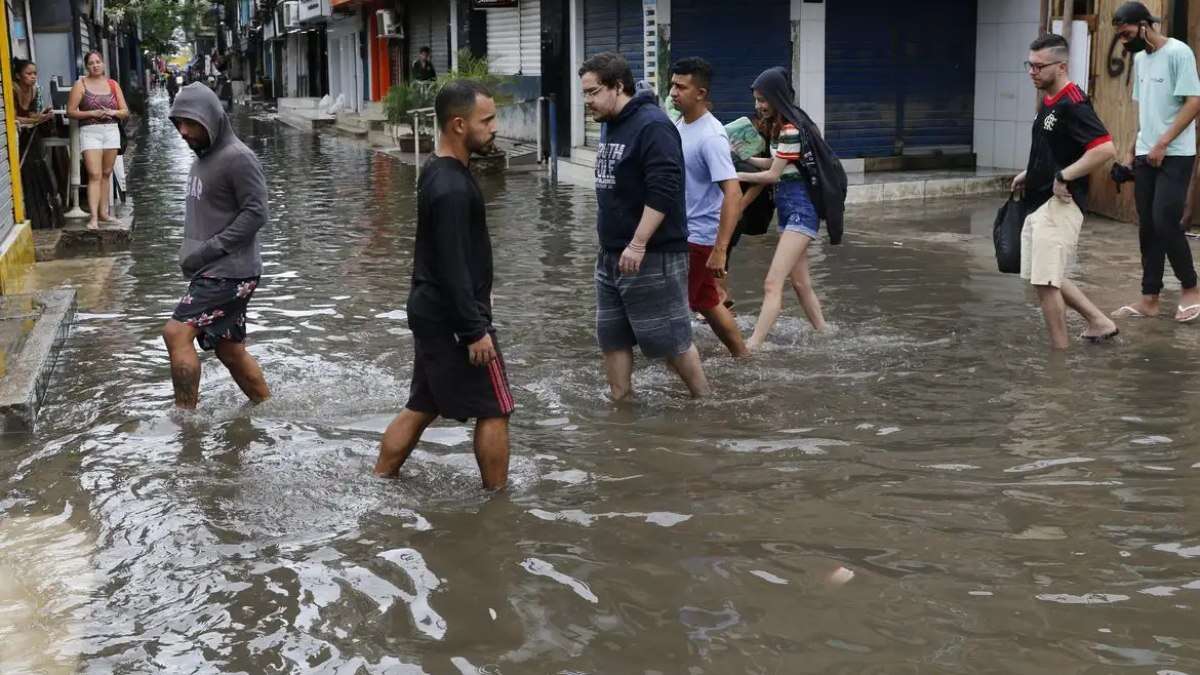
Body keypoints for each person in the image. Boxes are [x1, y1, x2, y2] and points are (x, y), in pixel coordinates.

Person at [373, 80, 514, 490]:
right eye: (485, 120)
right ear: (458, 125)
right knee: (495, 407)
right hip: (454, 320)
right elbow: (452, 265)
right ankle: (497, 503)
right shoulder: (451, 187)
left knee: (423, 403)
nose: (494, 127)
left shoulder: (437, 170)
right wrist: (474, 330)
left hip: (432, 311)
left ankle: (380, 481)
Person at [580, 52, 709, 400]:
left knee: (671, 341)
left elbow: (665, 190)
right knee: (612, 337)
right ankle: (621, 404)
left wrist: (638, 243)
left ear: (618, 86)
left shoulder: (653, 126)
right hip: (611, 255)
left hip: (652, 254)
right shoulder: (609, 121)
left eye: (592, 92)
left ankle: (706, 403)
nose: (587, 101)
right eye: (585, 94)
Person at [162, 83, 270, 410]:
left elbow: (256, 213)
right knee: (230, 350)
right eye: (179, 123)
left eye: (191, 123)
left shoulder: (237, 158)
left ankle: (186, 423)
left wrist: (209, 250)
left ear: (211, 119)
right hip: (213, 269)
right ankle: (268, 409)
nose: (183, 131)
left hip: (228, 271)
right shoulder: (204, 156)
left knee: (176, 333)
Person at [1010, 34, 1120, 349]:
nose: (1032, 72)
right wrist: (1029, 173)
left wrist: (1064, 175)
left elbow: (1105, 149)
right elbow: (1055, 147)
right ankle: (1099, 322)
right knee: (1044, 276)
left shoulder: (1074, 103)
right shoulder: (1050, 100)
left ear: (1061, 66)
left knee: (1046, 282)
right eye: (1029, 65)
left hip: (1061, 202)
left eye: (1039, 67)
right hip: (1041, 199)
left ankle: (1059, 356)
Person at [736, 67, 846, 347]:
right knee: (800, 284)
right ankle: (827, 335)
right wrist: (740, 156)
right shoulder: (786, 126)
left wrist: (737, 175)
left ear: (777, 97)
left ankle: (752, 346)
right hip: (789, 210)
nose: (759, 106)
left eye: (764, 100)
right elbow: (775, 165)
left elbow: (772, 175)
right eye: (757, 100)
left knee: (772, 283)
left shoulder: (789, 129)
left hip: (800, 211)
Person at [1110, 1, 1200, 322]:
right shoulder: (1139, 60)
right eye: (1120, 36)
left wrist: (1163, 142)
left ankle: (1191, 288)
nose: (1124, 40)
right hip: (1146, 153)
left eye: (1127, 33)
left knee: (1165, 219)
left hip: (1175, 153)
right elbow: (1146, 109)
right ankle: (1149, 299)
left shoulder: (1178, 53)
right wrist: (1132, 149)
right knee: (1147, 227)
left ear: (1145, 25)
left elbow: (1193, 102)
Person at [668, 57, 748, 357]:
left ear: (700, 93)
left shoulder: (711, 136)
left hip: (698, 237)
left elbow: (733, 192)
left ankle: (681, 369)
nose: (673, 92)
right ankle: (742, 355)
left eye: (681, 87)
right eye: (672, 85)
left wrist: (720, 249)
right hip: (681, 231)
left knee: (675, 306)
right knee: (706, 301)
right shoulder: (680, 123)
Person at [66, 51, 129, 230]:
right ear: (87, 66)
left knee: (107, 173)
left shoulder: (112, 84)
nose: (95, 65)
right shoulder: (81, 84)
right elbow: (70, 111)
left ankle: (104, 214)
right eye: (91, 63)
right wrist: (91, 113)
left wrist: (113, 112)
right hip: (90, 131)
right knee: (94, 174)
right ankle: (93, 217)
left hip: (111, 130)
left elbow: (125, 111)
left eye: (98, 62)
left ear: (103, 64)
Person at [13, 58, 64, 230]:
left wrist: (42, 115)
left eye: (35, 73)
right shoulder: (12, 89)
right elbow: (13, 117)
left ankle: (41, 218)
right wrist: (36, 118)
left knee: (38, 170)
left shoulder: (35, 91)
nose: (33, 77)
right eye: (28, 74)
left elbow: (33, 114)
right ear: (18, 76)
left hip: (31, 136)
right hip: (18, 137)